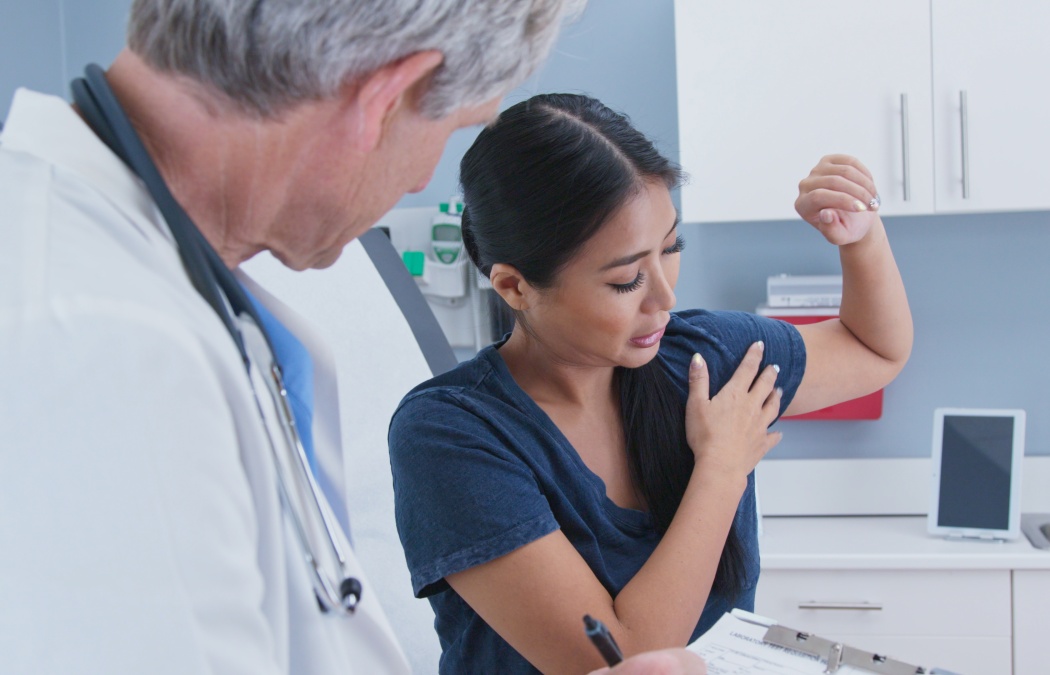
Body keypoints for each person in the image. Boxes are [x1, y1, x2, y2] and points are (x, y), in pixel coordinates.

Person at [0, 1, 708, 673]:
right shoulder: (97, 340)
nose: (422, 179)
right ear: (385, 99)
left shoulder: (147, 281)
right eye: (452, 130)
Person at [388, 93, 914, 673]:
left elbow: (874, 351)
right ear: (515, 287)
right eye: (626, 280)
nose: (666, 299)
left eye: (672, 249)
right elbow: (625, 659)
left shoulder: (700, 358)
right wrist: (721, 470)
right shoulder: (450, 433)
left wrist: (862, 238)